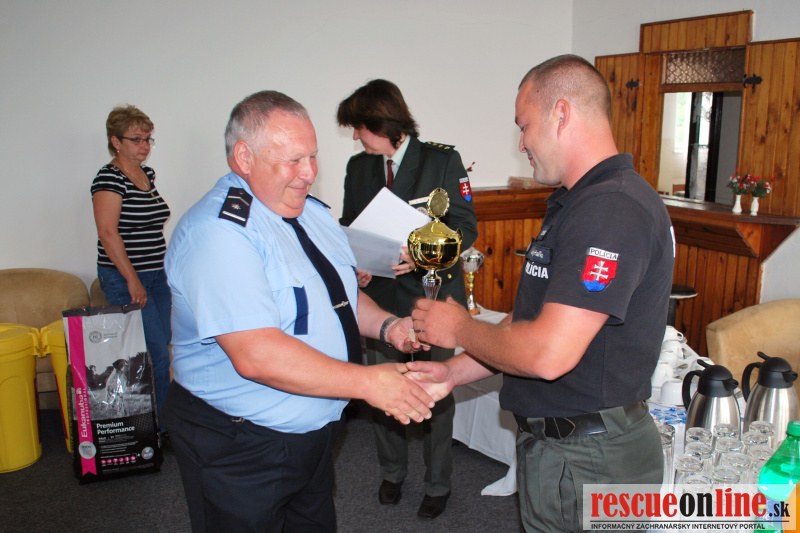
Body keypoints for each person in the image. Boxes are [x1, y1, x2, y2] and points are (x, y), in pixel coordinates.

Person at [407, 54, 675, 532]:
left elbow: (548, 354)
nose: (522, 143)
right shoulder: (579, 203)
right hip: (567, 450)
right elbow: (528, 322)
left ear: (562, 113)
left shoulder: (611, 209)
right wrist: (453, 371)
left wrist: (460, 328)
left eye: (524, 125)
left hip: (593, 458)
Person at [162, 90, 436, 533]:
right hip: (241, 443)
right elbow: (256, 355)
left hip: (311, 433)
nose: (309, 173)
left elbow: (340, 297)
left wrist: (389, 327)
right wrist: (368, 383)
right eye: (293, 160)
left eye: (313, 157)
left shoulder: (312, 214)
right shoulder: (220, 234)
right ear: (244, 157)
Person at [337, 79, 478, 519]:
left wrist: (420, 252)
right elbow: (350, 225)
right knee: (384, 388)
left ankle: (438, 483)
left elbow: (466, 227)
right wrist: (357, 263)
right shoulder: (359, 167)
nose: (356, 136)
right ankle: (392, 472)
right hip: (380, 300)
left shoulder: (441, 160)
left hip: (432, 298)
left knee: (436, 391)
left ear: (382, 122)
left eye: (360, 127)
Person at [91, 105, 172, 421]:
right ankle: (161, 426)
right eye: (136, 139)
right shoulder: (109, 178)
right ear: (116, 141)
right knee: (155, 354)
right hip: (126, 278)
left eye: (148, 139)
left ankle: (159, 418)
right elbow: (108, 233)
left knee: (163, 346)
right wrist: (132, 280)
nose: (144, 146)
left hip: (157, 274)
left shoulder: (146, 175)